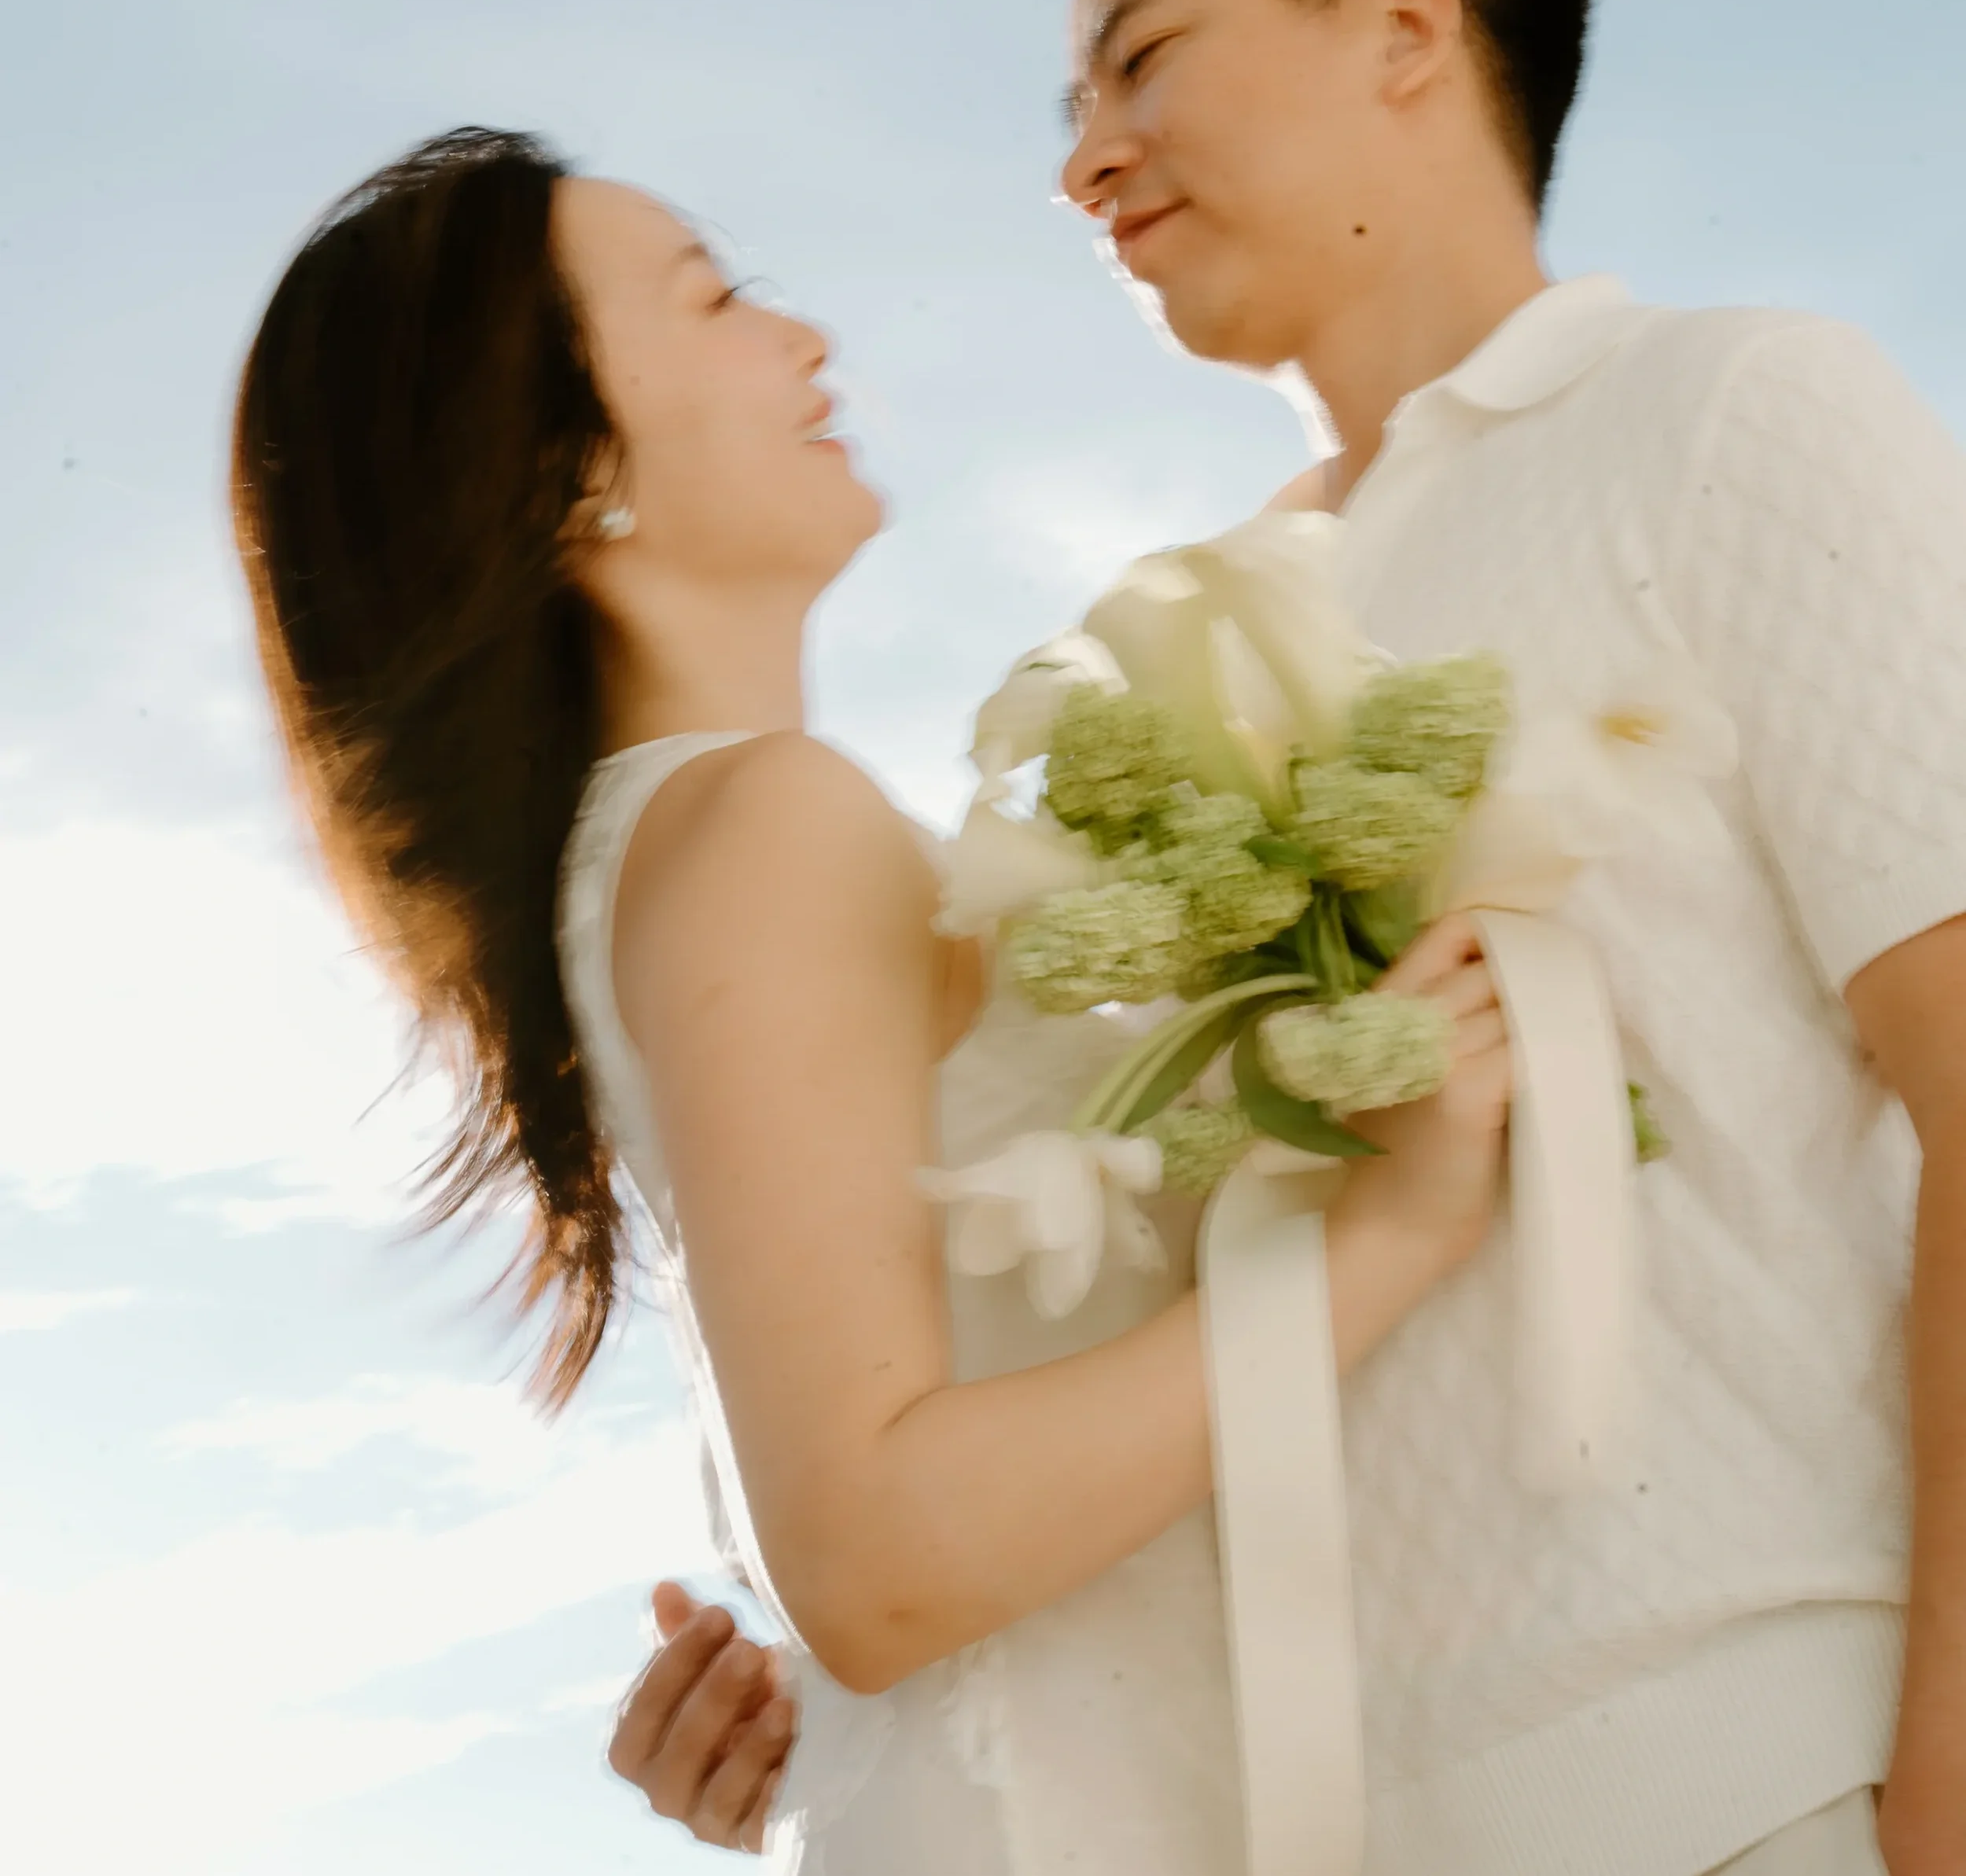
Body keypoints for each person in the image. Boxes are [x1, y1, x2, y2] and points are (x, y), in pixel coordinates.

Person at [617, 0, 1966, 1876]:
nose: (1084, 159)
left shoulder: (1723, 410)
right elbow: (1093, 1303)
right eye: (1069, 109)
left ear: (1406, 27)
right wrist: (823, 1685)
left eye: (1139, 59)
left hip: (1757, 1766)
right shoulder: (1174, 644)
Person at [230, 128, 1516, 1874]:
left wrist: (814, 1716)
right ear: (561, 465)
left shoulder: (686, 852)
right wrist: (1395, 1230)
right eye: (713, 298)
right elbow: (876, 1556)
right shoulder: (757, 821)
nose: (804, 338)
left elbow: (855, 1507)